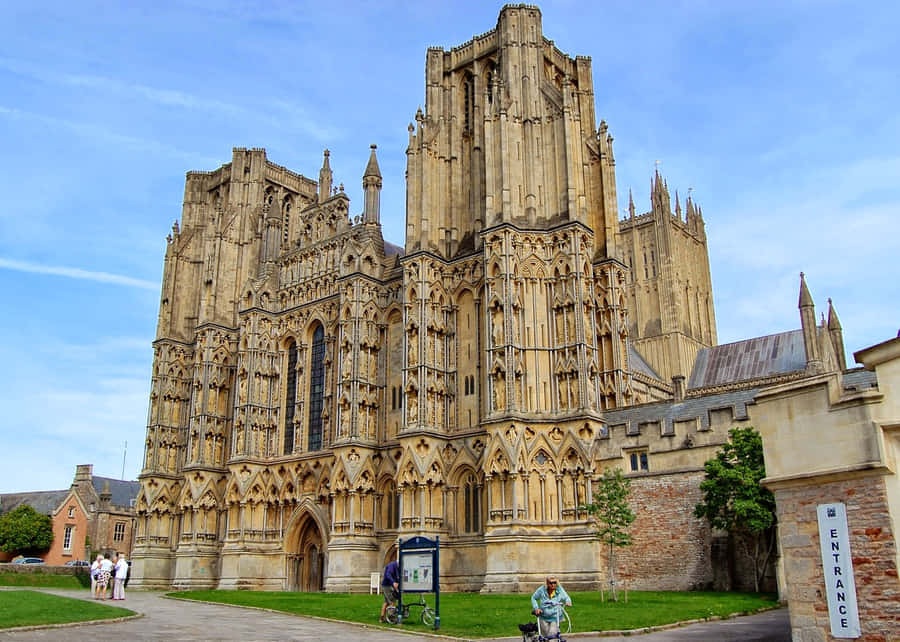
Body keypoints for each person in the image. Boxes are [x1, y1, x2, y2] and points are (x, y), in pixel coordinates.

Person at [531, 575, 572, 640]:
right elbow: (533, 598)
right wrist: (536, 608)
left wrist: (568, 601)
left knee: (552, 636)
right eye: (551, 583)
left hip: (555, 617)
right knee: (544, 636)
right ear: (547, 583)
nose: (553, 585)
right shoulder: (542, 590)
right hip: (543, 616)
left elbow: (566, 597)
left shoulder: (559, 589)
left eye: (554, 582)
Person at [379, 559, 400, 623]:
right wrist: (393, 582)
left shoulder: (397, 566)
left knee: (386, 602)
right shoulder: (392, 565)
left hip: (389, 585)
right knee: (392, 600)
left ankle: (382, 618)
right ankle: (391, 617)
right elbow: (388, 574)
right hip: (387, 585)